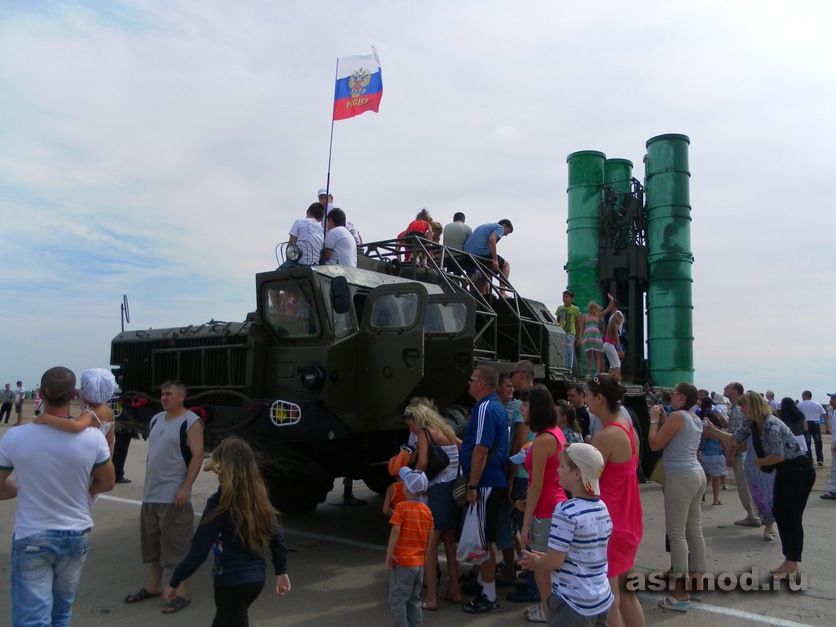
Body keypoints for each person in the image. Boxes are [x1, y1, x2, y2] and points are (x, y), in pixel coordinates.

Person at [0, 366, 115, 627]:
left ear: (40, 394)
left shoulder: (14, 437)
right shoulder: (93, 438)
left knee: (32, 618)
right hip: (76, 531)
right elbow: (107, 482)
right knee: (61, 614)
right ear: (73, 394)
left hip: (33, 534)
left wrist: (23, 488)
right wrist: (86, 491)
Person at [162, 437, 291, 626]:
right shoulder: (260, 497)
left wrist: (176, 580)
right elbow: (276, 536)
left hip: (230, 583)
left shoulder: (219, 503)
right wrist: (281, 570)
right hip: (256, 580)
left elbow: (199, 551)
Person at [706, 391, 816, 578]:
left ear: (753, 406)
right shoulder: (752, 423)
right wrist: (714, 431)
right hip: (784, 470)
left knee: (791, 515)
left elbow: (778, 455)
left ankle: (791, 561)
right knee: (779, 513)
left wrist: (760, 462)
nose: (741, 409)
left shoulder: (771, 424)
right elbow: (734, 439)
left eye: (743, 406)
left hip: (799, 471)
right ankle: (789, 559)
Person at [125, 380, 205, 614]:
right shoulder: (156, 419)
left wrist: (185, 488)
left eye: (169, 394)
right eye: (162, 393)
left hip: (174, 496)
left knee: (177, 545)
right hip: (152, 494)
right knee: (153, 544)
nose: (164, 397)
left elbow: (198, 456)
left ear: (181, 397)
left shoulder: (191, 421)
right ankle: (153, 586)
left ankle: (181, 592)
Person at [520, 443, 614, 626]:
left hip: (573, 602)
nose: (557, 470)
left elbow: (555, 561)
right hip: (601, 598)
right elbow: (582, 551)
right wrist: (547, 557)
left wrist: (537, 561)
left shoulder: (566, 511)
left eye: (562, 466)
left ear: (577, 474)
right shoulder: (601, 507)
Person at [587, 374, 645, 627]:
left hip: (610, 523)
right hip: (629, 519)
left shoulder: (606, 435)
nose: (586, 400)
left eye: (588, 395)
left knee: (610, 600)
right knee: (627, 595)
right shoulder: (628, 429)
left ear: (600, 399)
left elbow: (588, 484)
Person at [648, 382, 706, 611]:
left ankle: (680, 594)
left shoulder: (678, 417)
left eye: (673, 394)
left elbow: (655, 444)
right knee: (694, 530)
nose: (670, 397)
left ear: (681, 397)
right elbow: (673, 437)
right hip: (695, 473)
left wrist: (654, 420)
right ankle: (697, 581)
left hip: (680, 476)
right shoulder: (694, 417)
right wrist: (663, 419)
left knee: (677, 534)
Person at [403, 403, 463, 609]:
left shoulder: (424, 433)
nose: (411, 430)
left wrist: (414, 483)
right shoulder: (445, 429)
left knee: (430, 546)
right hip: (453, 488)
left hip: (438, 490)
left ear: (418, 420)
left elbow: (422, 463)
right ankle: (454, 589)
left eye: (411, 425)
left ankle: (431, 597)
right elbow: (462, 447)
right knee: (449, 542)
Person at [460, 366, 509, 614]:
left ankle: (489, 596)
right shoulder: (495, 407)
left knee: (482, 542)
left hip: (486, 482)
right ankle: (482, 583)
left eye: (471, 378)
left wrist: (472, 485)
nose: (468, 382)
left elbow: (481, 449)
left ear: (480, 383)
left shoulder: (484, 408)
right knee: (485, 538)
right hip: (492, 480)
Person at [518, 385, 568, 624]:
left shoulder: (543, 439)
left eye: (525, 404)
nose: (521, 409)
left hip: (545, 509)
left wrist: (525, 523)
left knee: (542, 572)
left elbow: (536, 485)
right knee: (551, 570)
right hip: (554, 504)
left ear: (535, 407)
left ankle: (550, 617)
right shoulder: (554, 432)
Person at [386, 468, 434, 627]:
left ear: (406, 488)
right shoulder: (427, 511)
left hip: (403, 562)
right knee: (414, 599)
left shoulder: (401, 507)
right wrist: (426, 556)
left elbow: (396, 530)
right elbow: (430, 534)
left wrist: (390, 553)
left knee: (398, 599)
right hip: (418, 563)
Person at [42, 368, 117, 457]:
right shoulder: (109, 411)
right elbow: (110, 441)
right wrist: (108, 460)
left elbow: (75, 426)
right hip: (101, 455)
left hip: (89, 455)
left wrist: (46, 418)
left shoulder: (90, 414)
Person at [723, 382, 762, 527]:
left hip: (742, 453)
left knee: (745, 486)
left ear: (735, 391)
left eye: (727, 388)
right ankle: (759, 514)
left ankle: (753, 516)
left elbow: (738, 436)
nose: (724, 390)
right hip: (747, 452)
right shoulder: (736, 408)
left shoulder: (738, 409)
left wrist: (731, 454)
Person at [462, 220, 513, 291]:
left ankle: (482, 292)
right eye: (508, 231)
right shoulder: (500, 228)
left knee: (488, 269)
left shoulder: (486, 226)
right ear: (504, 225)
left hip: (467, 254)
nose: (506, 235)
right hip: (479, 253)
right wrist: (495, 260)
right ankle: (502, 292)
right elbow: (492, 239)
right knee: (505, 265)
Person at [698, 398, 727, 506]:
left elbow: (699, 443)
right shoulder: (718, 430)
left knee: (705, 478)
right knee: (716, 479)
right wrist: (728, 457)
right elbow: (724, 445)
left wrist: (697, 453)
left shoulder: (702, 429)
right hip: (716, 456)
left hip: (704, 455)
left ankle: (701, 497)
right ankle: (715, 499)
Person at [579, 296, 615, 379]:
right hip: (588, 336)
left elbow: (607, 310)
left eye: (594, 307)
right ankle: (588, 373)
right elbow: (581, 328)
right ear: (589, 308)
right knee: (588, 355)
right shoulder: (585, 316)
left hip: (596, 336)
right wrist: (580, 338)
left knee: (597, 355)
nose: (593, 309)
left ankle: (597, 373)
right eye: (591, 307)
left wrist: (611, 300)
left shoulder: (597, 315)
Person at [282, 202, 325, 267]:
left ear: (307, 212)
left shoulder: (299, 222)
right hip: (315, 265)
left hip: (299, 263)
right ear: (321, 219)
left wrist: (288, 261)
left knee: (272, 276)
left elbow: (291, 244)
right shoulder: (322, 230)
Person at [555, 290, 581, 374]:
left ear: (572, 298)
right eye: (564, 297)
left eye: (567, 297)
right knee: (560, 349)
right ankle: (560, 366)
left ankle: (569, 368)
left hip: (570, 333)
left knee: (569, 350)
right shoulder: (560, 308)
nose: (564, 298)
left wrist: (579, 337)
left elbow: (578, 323)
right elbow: (557, 320)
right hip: (561, 332)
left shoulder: (575, 309)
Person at [797, 390, 826, 466]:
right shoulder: (817, 404)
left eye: (802, 395)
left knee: (807, 442)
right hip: (816, 423)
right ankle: (820, 459)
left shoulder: (800, 404)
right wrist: (827, 426)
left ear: (806, 396)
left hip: (806, 423)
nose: (802, 397)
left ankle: (810, 460)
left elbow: (796, 414)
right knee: (818, 442)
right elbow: (824, 415)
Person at [382, 449, 411, 516]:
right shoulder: (411, 483)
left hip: (400, 523)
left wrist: (399, 516)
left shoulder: (391, 488)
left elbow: (385, 510)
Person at [821, 393, 836, 499]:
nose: (830, 401)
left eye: (832, 399)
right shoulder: (833, 411)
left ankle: (832, 490)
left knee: (835, 467)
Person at [602, 311, 625, 380]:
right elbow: (617, 339)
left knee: (612, 365)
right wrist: (620, 350)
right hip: (609, 345)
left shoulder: (610, 326)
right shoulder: (615, 326)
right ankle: (615, 380)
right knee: (617, 364)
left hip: (606, 345)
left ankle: (609, 379)